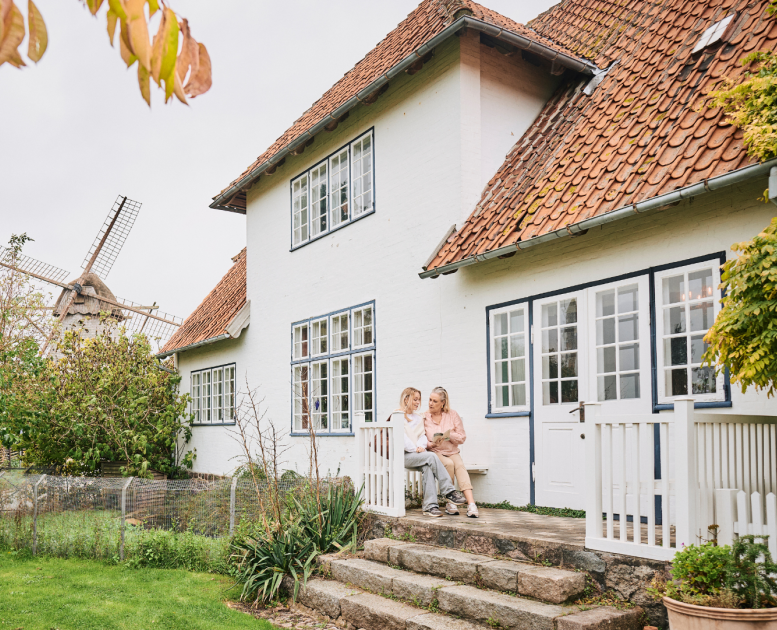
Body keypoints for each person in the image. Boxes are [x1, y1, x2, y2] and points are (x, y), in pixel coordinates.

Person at [399, 387, 466, 518]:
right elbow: (403, 440)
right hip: (404, 456)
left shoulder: (418, 418)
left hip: (418, 455)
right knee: (431, 456)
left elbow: (422, 436)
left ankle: (430, 507)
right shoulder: (398, 416)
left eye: (419, 399)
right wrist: (416, 448)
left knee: (428, 466)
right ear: (406, 399)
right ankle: (449, 491)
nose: (418, 402)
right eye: (415, 399)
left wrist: (421, 446)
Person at [424, 387, 478, 518]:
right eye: (430, 400)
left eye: (435, 401)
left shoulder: (453, 415)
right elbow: (421, 439)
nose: (431, 403)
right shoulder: (424, 417)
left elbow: (462, 437)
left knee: (459, 466)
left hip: (452, 450)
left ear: (443, 403)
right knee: (449, 464)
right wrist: (431, 443)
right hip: (435, 451)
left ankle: (471, 504)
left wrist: (448, 435)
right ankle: (450, 502)